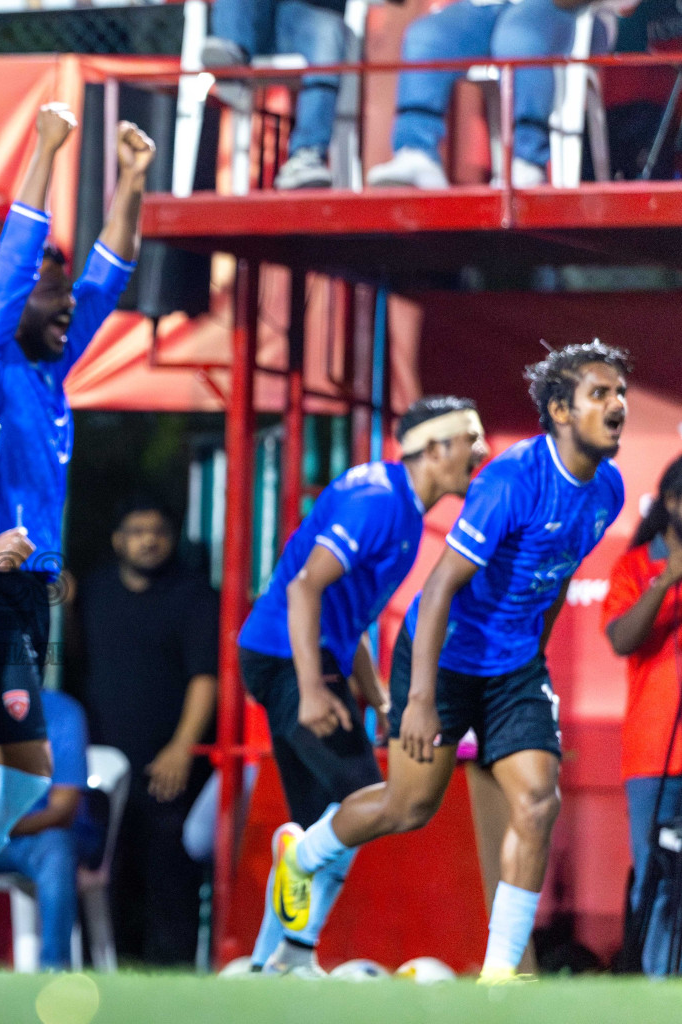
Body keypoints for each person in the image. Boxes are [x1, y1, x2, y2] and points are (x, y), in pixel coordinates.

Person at [274, 341, 630, 983]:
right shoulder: (511, 481)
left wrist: (532, 663)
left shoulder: (607, 487)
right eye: (600, 394)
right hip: (442, 661)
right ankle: (304, 854)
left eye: (621, 393)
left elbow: (556, 578)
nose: (618, 405)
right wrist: (416, 699)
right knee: (409, 808)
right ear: (559, 411)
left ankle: (500, 978)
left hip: (515, 667)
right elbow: (438, 589)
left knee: (537, 803)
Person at [0, 103, 154, 961]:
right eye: (52, 298)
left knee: (13, 776)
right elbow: (18, 265)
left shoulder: (51, 369)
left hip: (24, 590)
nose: (68, 309)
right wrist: (49, 147)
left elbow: (111, 272)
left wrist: (129, 178)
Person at [237, 397, 488, 974]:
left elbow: (349, 615)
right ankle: (296, 951)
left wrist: (374, 693)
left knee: (322, 822)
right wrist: (311, 689)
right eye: (469, 440)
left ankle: (266, 966)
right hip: (287, 656)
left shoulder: (401, 505)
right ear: (432, 449)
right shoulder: (378, 502)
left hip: (302, 653)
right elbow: (305, 589)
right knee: (365, 801)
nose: (481, 452)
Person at [75, 500, 219, 966]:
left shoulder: (194, 595)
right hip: (98, 763)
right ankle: (106, 963)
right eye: (136, 530)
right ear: (118, 540)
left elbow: (206, 677)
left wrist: (182, 748)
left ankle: (170, 968)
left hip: (167, 764)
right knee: (104, 868)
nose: (148, 539)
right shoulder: (92, 592)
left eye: (157, 530)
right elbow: (66, 658)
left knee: (169, 869)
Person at [365, 0, 606, 188]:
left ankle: (528, 160)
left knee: (517, 38)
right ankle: (417, 152)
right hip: (484, 7)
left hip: (553, 8)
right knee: (426, 36)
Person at [604, 454, 682, 977]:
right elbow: (621, 638)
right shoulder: (636, 565)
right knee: (658, 886)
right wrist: (667, 581)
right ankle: (658, 997)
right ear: (673, 503)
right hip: (657, 760)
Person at [0, 688, 91, 971]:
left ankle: (53, 971)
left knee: (56, 848)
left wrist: (2, 827)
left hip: (28, 837)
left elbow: (63, 809)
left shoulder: (62, 711)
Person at [201, 0, 356, 189]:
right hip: (252, 18)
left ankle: (307, 156)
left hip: (312, 13)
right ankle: (230, 55)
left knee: (326, 33)